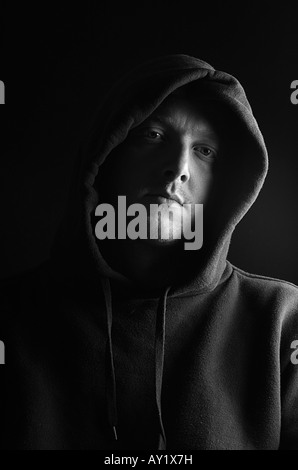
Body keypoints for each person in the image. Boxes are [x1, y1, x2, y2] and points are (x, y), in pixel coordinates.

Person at [1, 54, 298, 450]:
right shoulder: (11, 315)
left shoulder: (280, 320)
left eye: (205, 151)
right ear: (106, 156)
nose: (178, 168)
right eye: (153, 135)